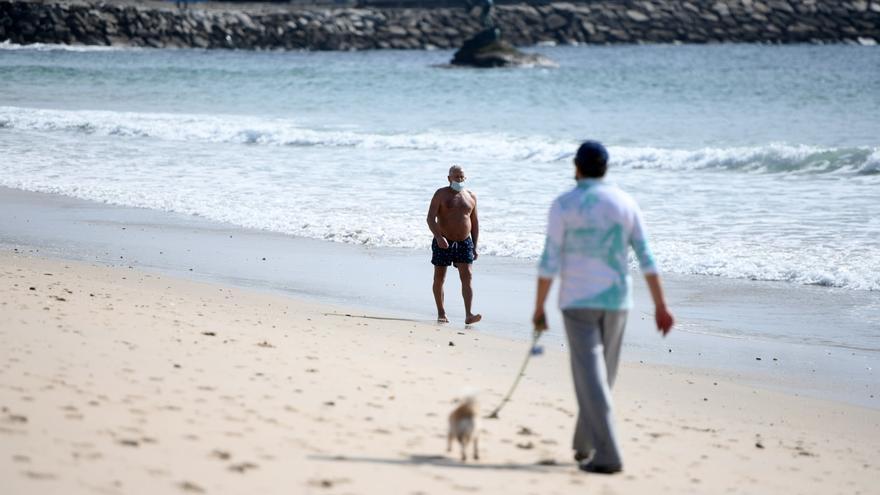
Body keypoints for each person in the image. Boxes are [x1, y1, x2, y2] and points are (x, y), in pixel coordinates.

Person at [532, 141, 674, 474]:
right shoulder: (626, 202)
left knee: (592, 377)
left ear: (576, 167)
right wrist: (661, 306)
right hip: (616, 301)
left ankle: (607, 454)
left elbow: (549, 260)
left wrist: (539, 308)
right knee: (601, 376)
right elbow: (647, 258)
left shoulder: (564, 204)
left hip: (578, 301)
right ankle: (584, 444)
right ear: (606, 168)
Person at [427, 165, 482, 325]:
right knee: (440, 277)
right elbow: (430, 218)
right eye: (455, 176)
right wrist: (438, 237)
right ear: (449, 178)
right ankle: (441, 312)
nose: (459, 179)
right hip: (443, 240)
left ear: (465, 178)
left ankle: (468, 314)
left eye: (461, 177)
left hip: (465, 242)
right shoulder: (441, 194)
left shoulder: (471, 196)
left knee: (468, 276)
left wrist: (475, 246)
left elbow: (475, 222)